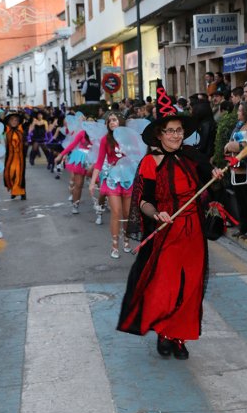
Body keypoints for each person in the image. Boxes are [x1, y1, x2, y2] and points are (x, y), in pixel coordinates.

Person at [117, 81, 220, 359]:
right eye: (170, 131)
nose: (176, 135)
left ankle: (179, 336)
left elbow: (205, 189)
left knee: (191, 286)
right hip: (167, 231)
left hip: (193, 231)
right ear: (159, 135)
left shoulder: (191, 157)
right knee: (167, 285)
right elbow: (143, 201)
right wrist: (156, 214)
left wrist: (214, 178)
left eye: (179, 130)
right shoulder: (151, 163)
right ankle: (163, 333)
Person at [89, 113, 133, 258]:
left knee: (127, 213)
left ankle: (126, 239)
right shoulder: (105, 140)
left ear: (120, 121)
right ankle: (115, 245)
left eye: (114, 120)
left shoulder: (130, 138)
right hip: (113, 178)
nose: (112, 123)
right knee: (116, 211)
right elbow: (100, 161)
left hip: (128, 178)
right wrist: (92, 181)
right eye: (109, 121)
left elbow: (137, 157)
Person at [224, 101, 247, 238]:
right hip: (237, 168)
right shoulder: (240, 125)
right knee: (240, 200)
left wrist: (232, 146)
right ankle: (243, 226)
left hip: (246, 169)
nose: (238, 113)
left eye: (240, 110)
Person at [4, 110, 27, 201]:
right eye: (12, 120)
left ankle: (22, 192)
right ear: (9, 121)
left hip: (20, 156)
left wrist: (23, 113)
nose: (14, 122)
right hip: (10, 157)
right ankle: (14, 190)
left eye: (16, 120)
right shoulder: (7, 130)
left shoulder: (21, 129)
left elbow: (30, 120)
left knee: (19, 174)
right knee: (9, 174)